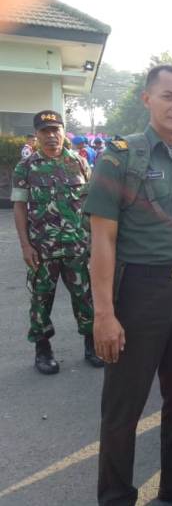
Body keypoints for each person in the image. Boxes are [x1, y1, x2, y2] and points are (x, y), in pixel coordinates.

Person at [85, 64, 172, 506]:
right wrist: (105, 314)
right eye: (169, 96)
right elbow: (103, 239)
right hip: (138, 293)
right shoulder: (120, 156)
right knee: (123, 409)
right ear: (147, 99)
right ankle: (115, 497)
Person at [11, 110, 102, 374]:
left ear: (63, 132)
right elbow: (19, 207)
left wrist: (94, 242)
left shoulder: (80, 163)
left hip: (77, 247)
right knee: (41, 299)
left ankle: (91, 344)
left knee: (85, 297)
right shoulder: (25, 168)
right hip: (42, 249)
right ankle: (42, 350)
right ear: (37, 136)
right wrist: (25, 246)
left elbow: (91, 205)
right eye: (45, 131)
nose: (51, 136)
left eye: (56, 130)